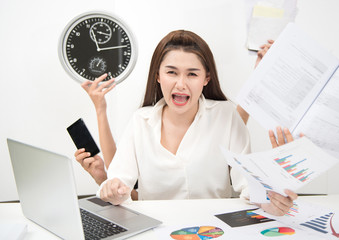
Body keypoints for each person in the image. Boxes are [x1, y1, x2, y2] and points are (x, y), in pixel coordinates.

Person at [76, 31, 295, 216]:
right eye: (171, 72)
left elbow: (247, 183)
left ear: (206, 78)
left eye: (192, 74)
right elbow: (119, 181)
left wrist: (271, 200)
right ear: (158, 76)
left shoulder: (226, 115)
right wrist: (111, 189)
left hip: (215, 229)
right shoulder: (140, 121)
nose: (181, 84)